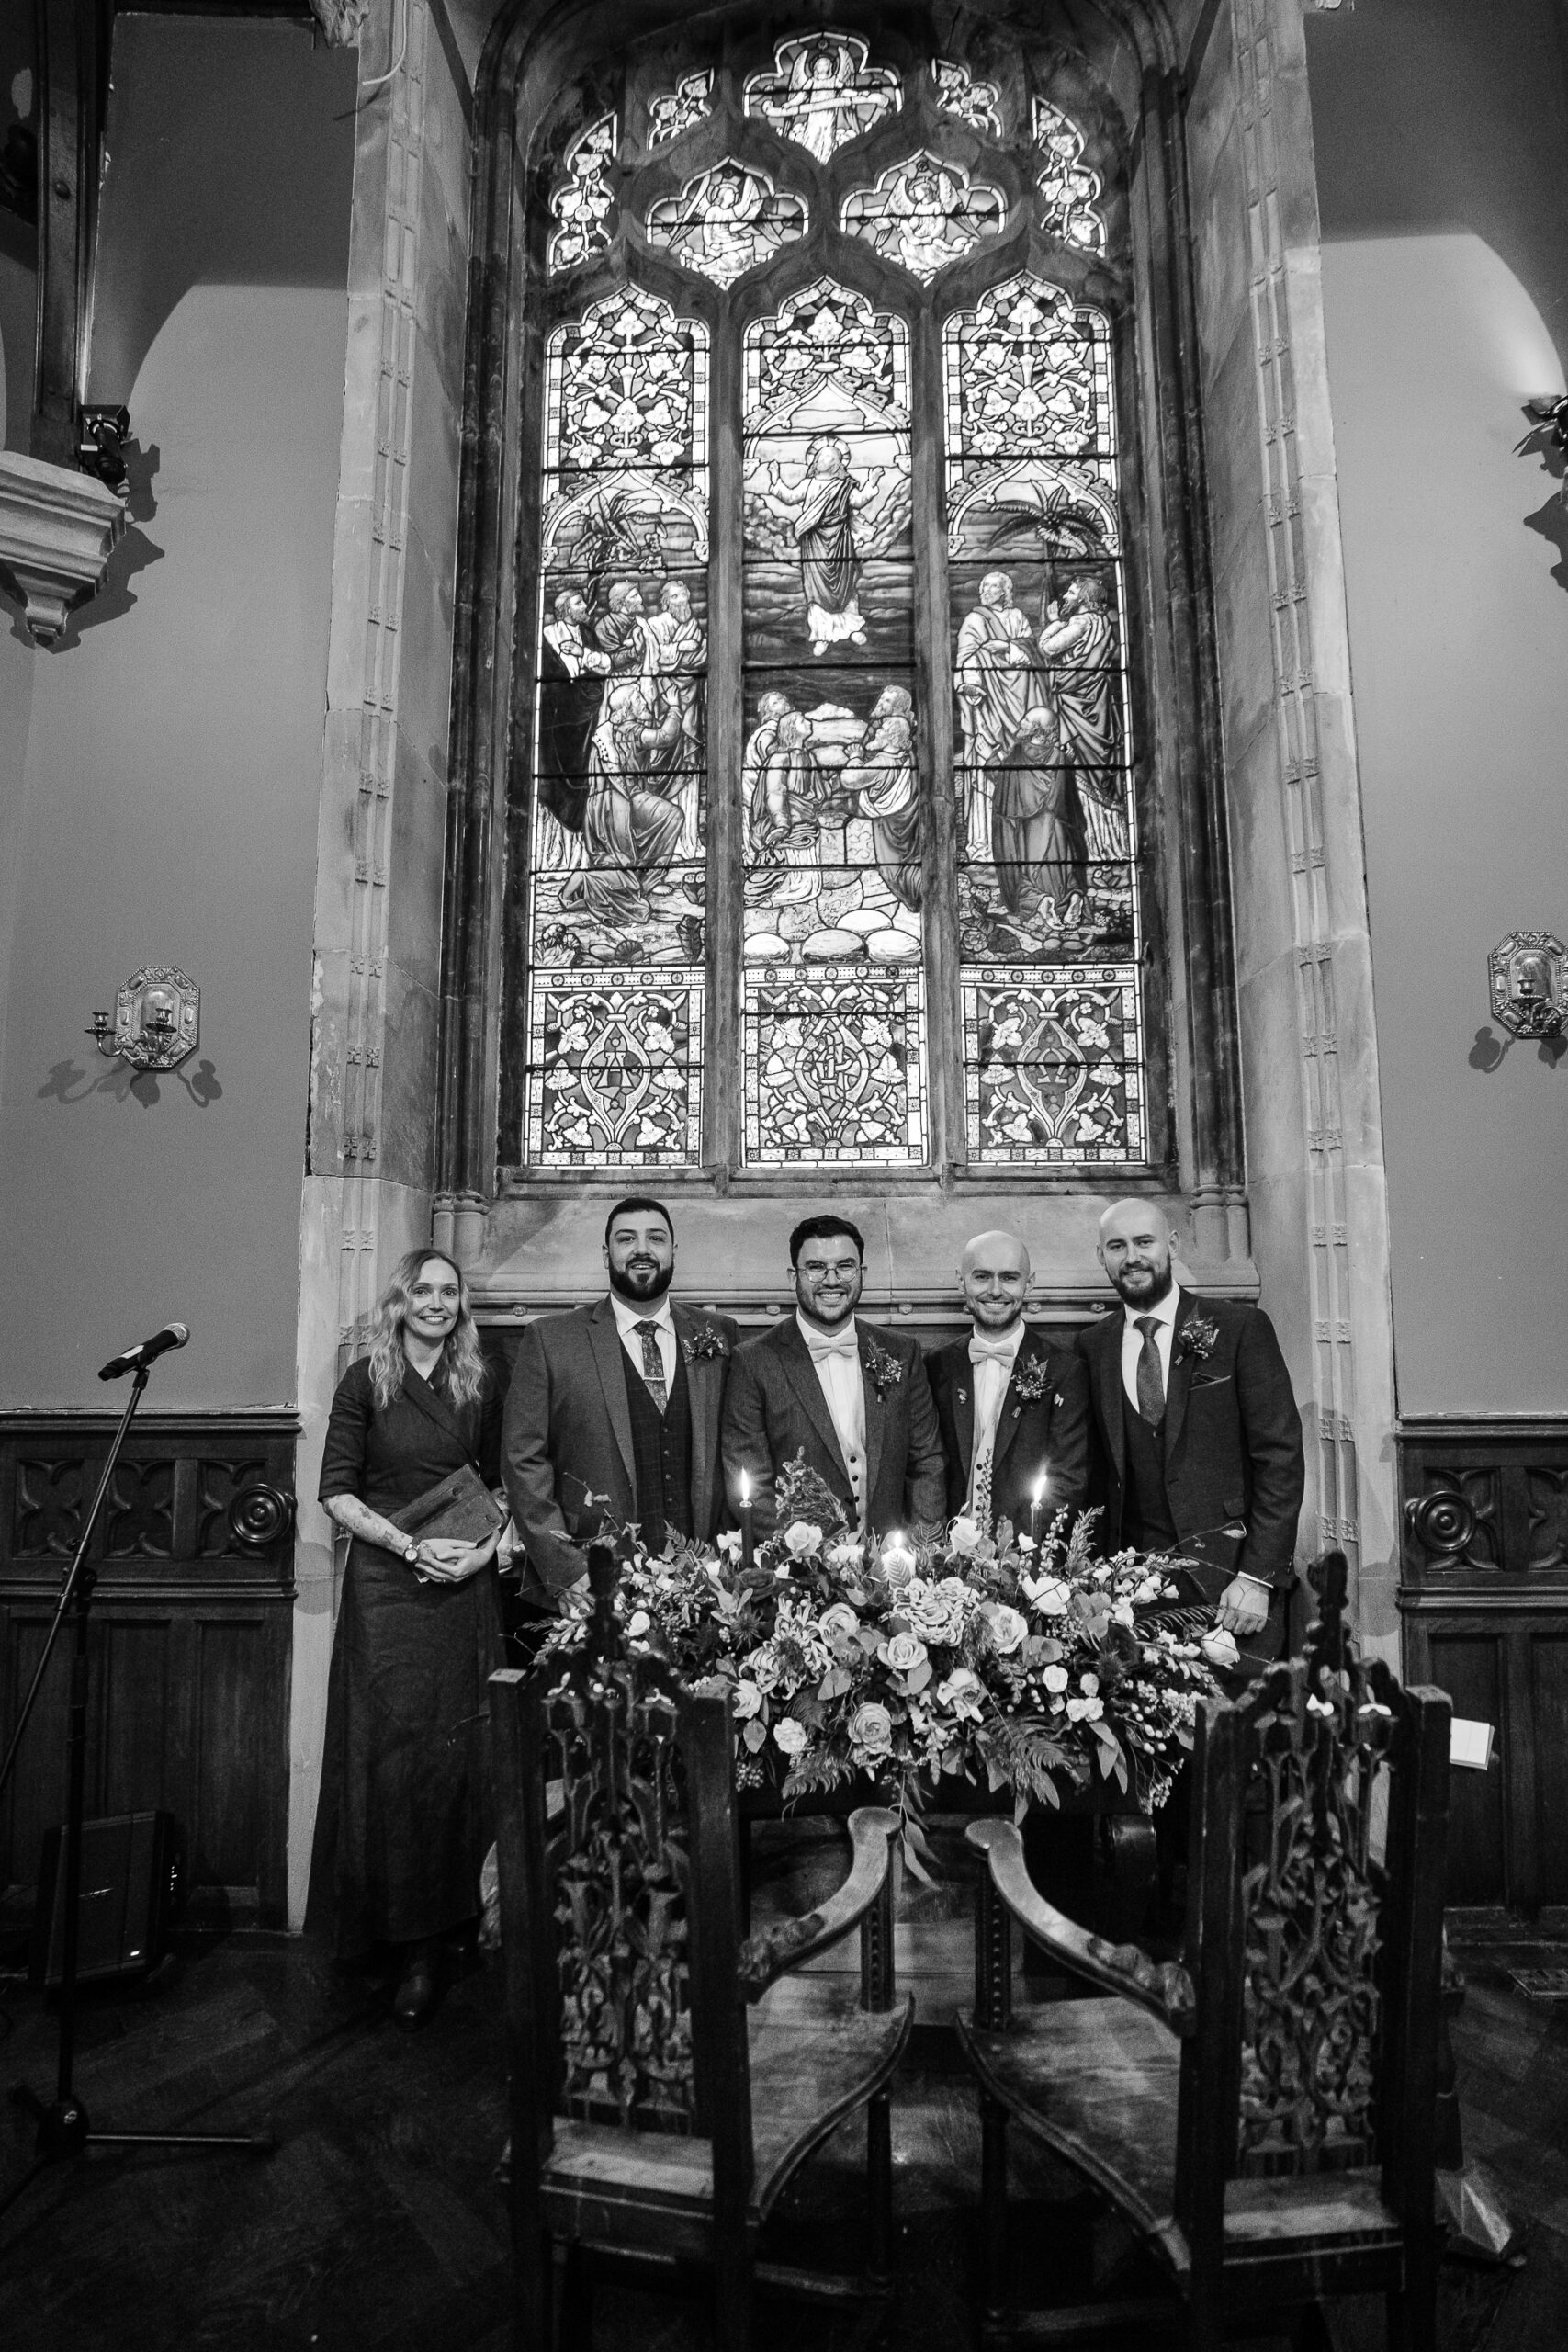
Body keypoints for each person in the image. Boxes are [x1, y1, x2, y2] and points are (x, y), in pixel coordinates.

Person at [308, 1249, 504, 2029]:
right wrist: (408, 1546)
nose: (435, 1302)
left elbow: (505, 1482)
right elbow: (335, 1491)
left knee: (459, 1762)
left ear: (461, 1305)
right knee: (388, 1763)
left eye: (448, 1292)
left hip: (468, 1584)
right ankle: (389, 1941)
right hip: (390, 1593)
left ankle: (452, 1933)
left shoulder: (479, 1380)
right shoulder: (366, 1381)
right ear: (399, 1301)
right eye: (422, 1290)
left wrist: (484, 1551)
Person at [1077, 1201, 1304, 1670]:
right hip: (1134, 1596)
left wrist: (1257, 1578)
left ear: (1173, 1245)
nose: (1132, 1257)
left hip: (1233, 1590)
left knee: (1235, 1735)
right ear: (1101, 1256)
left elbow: (1280, 1459)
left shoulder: (1240, 1328)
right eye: (1117, 1246)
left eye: (1145, 1242)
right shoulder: (1092, 1346)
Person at [502, 1196, 739, 1602]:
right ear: (606, 1252)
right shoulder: (552, 1339)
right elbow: (522, 1458)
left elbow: (739, 1446)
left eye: (656, 1238)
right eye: (626, 1238)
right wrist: (566, 1568)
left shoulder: (719, 1334)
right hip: (595, 1578)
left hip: (705, 1575)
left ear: (673, 1251)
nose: (642, 1249)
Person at [722, 1215, 946, 1538]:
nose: (831, 1280)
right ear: (792, 1277)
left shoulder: (902, 1352)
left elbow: (928, 1462)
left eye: (845, 1266)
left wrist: (919, 1547)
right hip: (803, 1572)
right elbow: (750, 1483)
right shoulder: (754, 1361)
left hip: (892, 1567)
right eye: (815, 1267)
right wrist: (812, 1558)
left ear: (862, 1274)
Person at [927, 1229, 1091, 1534]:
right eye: (982, 1277)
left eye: (1009, 1278)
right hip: (944, 1557)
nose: (995, 1290)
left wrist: (1017, 1556)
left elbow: (1067, 1480)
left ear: (1029, 1284)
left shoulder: (1065, 1372)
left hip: (1024, 1560)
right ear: (960, 1281)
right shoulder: (934, 1366)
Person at [954, 570, 1045, 862]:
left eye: (992, 587)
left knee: (1022, 767)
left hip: (1020, 702)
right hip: (987, 707)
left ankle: (1029, 841)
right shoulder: (974, 620)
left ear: (1006, 591)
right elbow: (966, 658)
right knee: (985, 766)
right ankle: (984, 845)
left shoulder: (1017, 617)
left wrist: (1006, 648)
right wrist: (971, 686)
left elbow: (1031, 653)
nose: (985, 590)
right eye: (983, 586)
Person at [992, 703, 1087, 921]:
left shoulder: (1016, 756)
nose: (1021, 722)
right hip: (1058, 829)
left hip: (1030, 832)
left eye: (1026, 720)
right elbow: (1068, 799)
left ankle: (1042, 902)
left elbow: (1006, 789)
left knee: (1029, 873)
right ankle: (1073, 896)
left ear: (1036, 729)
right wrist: (1068, 765)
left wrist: (991, 758)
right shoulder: (1060, 757)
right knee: (1064, 868)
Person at [835, 686, 922, 911]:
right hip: (901, 817)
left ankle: (915, 886)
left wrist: (854, 757)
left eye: (886, 701)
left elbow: (851, 779)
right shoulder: (905, 755)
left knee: (894, 869)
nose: (876, 733)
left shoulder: (884, 760)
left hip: (888, 820)